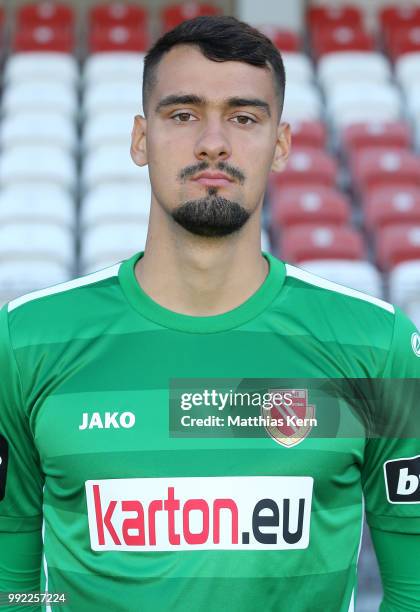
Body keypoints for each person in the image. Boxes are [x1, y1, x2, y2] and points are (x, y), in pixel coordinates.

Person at [0, 14, 419, 612]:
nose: (213, 142)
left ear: (281, 145)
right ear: (141, 139)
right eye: (182, 114)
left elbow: (413, 588)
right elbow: (7, 583)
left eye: (244, 117)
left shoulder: (377, 346)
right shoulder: (25, 341)